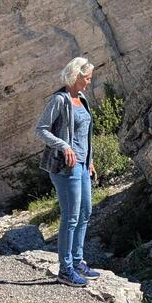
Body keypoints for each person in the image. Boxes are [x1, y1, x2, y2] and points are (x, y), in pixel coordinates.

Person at [35, 56, 101, 287]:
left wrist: (90, 160)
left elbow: (85, 134)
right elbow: (41, 129)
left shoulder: (81, 98)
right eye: (87, 78)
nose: (89, 83)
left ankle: (78, 261)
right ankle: (65, 269)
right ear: (76, 76)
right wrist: (64, 146)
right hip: (65, 168)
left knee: (85, 213)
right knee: (71, 216)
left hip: (82, 166)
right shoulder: (59, 100)